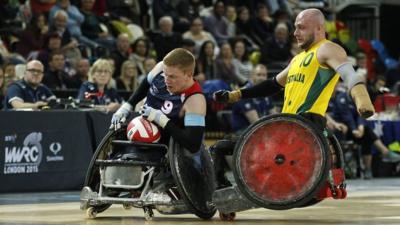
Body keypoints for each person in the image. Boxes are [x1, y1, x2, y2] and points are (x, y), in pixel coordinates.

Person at [213, 8, 375, 185]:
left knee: (221, 149)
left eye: (301, 27)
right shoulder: (298, 59)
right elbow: (272, 84)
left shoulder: (327, 49)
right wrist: (235, 95)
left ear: (319, 28)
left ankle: (222, 190)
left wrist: (362, 99)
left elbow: (351, 75)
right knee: (223, 148)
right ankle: (229, 191)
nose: (295, 33)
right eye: (295, 28)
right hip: (288, 126)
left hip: (306, 124)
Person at [110, 48, 206, 153]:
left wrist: (161, 120)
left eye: (172, 77)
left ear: (188, 75)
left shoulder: (195, 100)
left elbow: (193, 145)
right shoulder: (161, 67)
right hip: (142, 126)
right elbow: (145, 84)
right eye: (165, 74)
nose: (166, 80)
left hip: (168, 144)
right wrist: (127, 106)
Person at [231, 64, 277, 134]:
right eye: (258, 75)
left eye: (264, 75)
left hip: (258, 130)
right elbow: (255, 122)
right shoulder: (244, 92)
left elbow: (274, 116)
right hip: (243, 132)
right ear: (252, 76)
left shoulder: (266, 92)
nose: (261, 78)